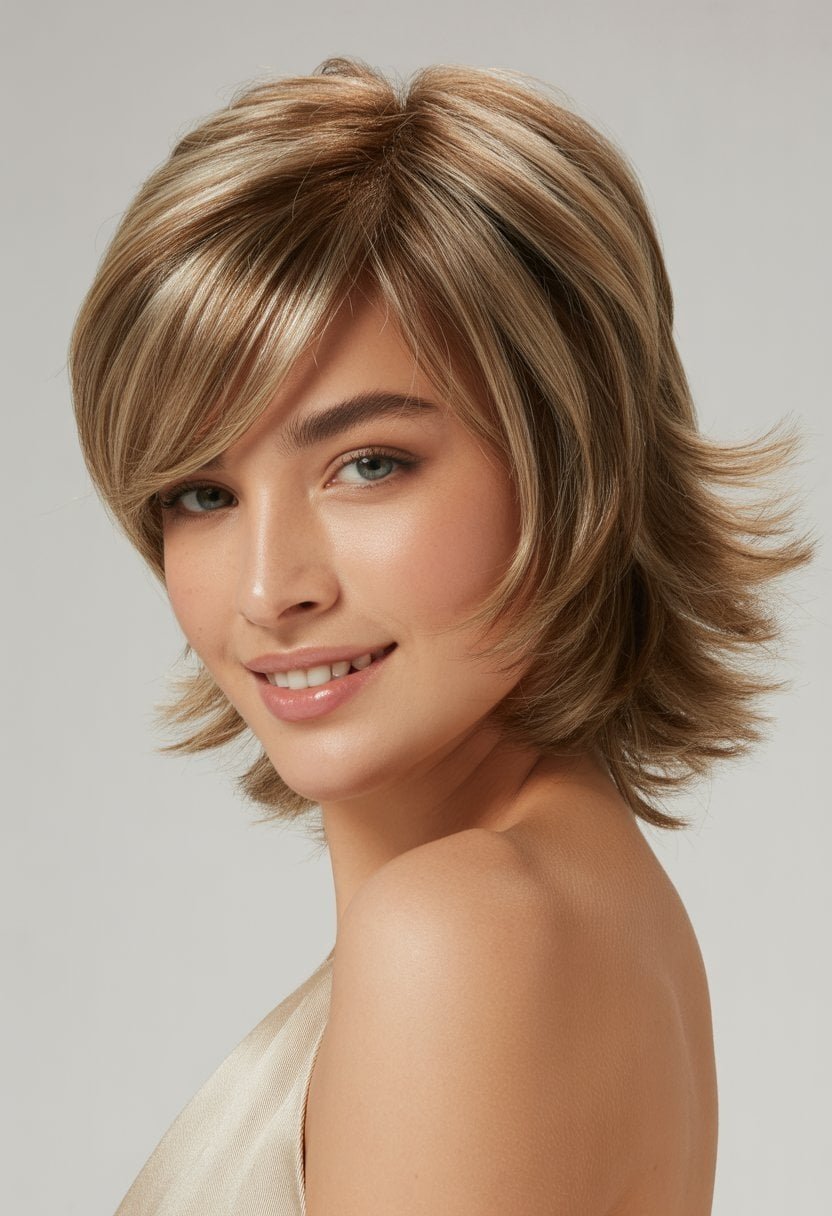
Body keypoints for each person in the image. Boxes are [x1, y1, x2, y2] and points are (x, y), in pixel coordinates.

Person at [69, 55, 812, 1216]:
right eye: (201, 493)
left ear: (568, 462)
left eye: (368, 464)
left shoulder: (462, 935)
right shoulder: (579, 903)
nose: (267, 588)